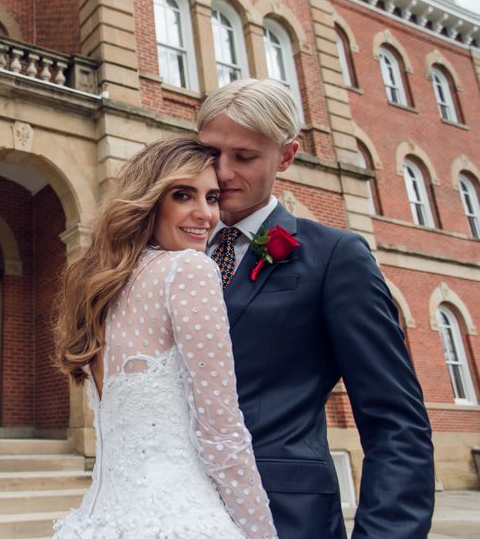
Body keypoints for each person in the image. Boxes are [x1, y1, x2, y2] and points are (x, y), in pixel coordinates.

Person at [197, 78, 435, 539]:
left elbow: (396, 424)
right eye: (210, 153)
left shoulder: (335, 257)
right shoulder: (166, 251)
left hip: (285, 517)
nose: (222, 173)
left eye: (244, 157)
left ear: (286, 156)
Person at [52, 137, 278, 539]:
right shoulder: (189, 270)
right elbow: (221, 433)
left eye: (212, 198)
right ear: (150, 201)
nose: (205, 214)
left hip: (98, 523)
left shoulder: (103, 289)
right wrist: (261, 532)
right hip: (178, 520)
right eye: (182, 195)